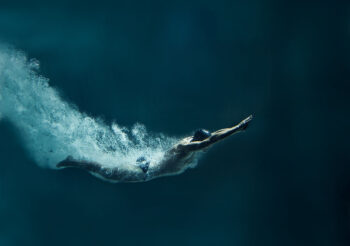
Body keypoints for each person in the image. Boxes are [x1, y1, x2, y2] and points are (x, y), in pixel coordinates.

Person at [57, 115, 253, 182]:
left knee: (109, 171)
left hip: (148, 163)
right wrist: (236, 129)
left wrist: (237, 126)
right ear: (198, 142)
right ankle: (73, 161)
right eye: (205, 144)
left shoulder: (195, 142)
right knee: (107, 173)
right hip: (145, 171)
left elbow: (214, 136)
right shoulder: (186, 147)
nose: (207, 147)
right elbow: (209, 142)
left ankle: (77, 160)